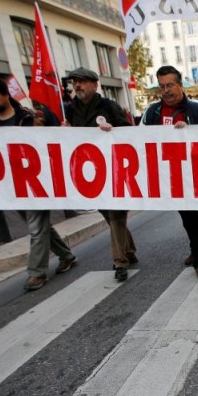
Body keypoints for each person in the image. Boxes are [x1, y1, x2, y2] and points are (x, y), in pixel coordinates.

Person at [0, 75, 77, 291]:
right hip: (12, 186)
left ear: (5, 95)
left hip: (36, 183)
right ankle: (67, 256)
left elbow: (50, 146)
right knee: (40, 227)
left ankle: (36, 273)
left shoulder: (29, 119)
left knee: (36, 229)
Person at [140, 65, 198, 278]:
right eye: (162, 87)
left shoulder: (196, 110)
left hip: (194, 174)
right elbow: (140, 138)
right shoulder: (152, 112)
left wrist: (190, 134)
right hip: (171, 176)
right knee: (186, 217)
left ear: (180, 86)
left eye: (170, 85)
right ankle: (195, 249)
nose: (166, 91)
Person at [64, 67, 135, 282]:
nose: (78, 85)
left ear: (95, 85)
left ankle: (120, 261)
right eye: (75, 81)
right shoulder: (69, 109)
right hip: (89, 172)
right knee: (109, 216)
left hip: (113, 169)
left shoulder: (109, 106)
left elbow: (128, 132)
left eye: (83, 81)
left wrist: (113, 129)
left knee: (116, 214)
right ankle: (129, 250)